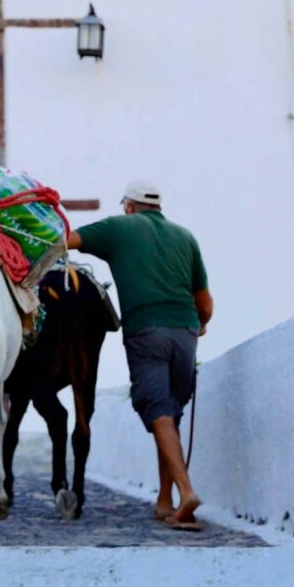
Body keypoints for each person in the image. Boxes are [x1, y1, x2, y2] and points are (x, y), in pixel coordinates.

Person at [67, 180, 213, 530]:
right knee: (171, 416)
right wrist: (200, 325)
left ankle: (186, 491)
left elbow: (66, 240)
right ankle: (165, 502)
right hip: (185, 331)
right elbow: (204, 302)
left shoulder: (119, 227)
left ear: (129, 206)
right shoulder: (185, 237)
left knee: (159, 413)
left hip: (146, 330)